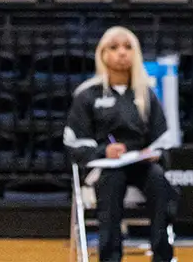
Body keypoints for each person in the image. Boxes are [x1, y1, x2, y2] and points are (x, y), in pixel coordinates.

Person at [65, 26, 182, 262]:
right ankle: (110, 257)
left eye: (128, 47)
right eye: (114, 47)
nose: (122, 53)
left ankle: (162, 254)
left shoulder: (146, 94)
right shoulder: (87, 95)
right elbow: (73, 141)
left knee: (160, 181)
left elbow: (163, 138)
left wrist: (154, 153)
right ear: (102, 54)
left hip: (140, 163)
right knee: (112, 182)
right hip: (104, 167)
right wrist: (103, 151)